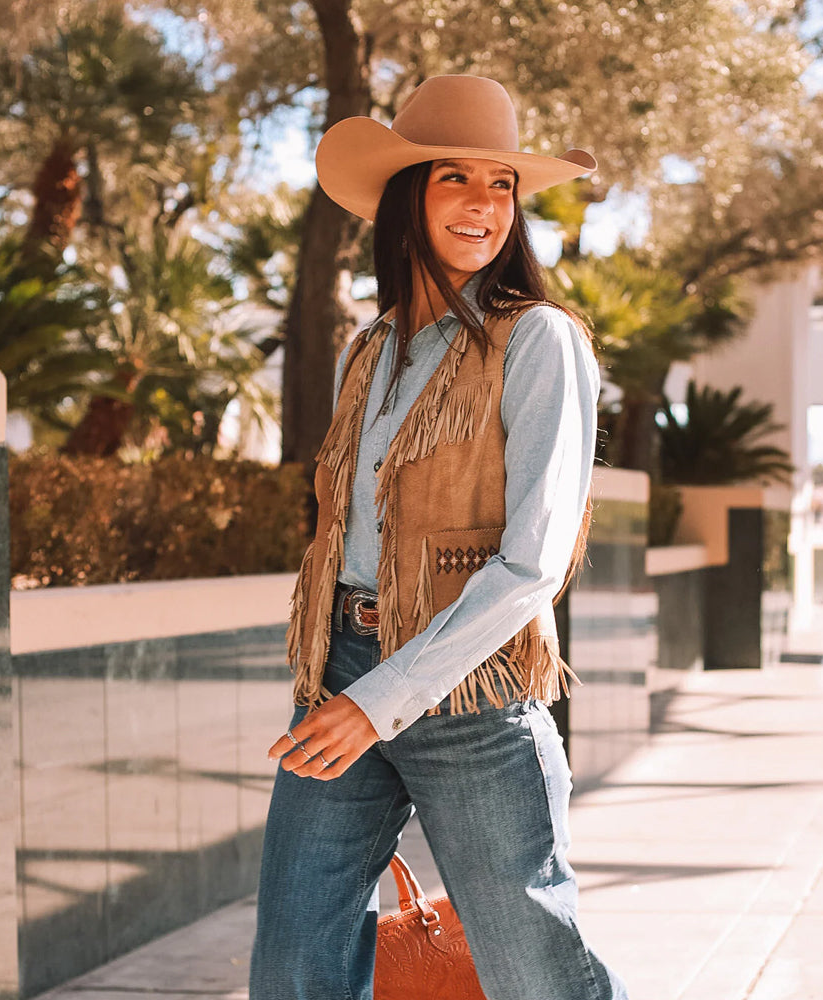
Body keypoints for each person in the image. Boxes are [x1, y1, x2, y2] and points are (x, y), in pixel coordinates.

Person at [249, 74, 629, 1000]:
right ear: (404, 198)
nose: (483, 204)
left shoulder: (540, 341)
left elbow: (534, 563)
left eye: (500, 183)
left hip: (472, 688)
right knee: (295, 961)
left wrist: (382, 699)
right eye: (453, 177)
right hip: (340, 664)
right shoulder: (368, 350)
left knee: (533, 969)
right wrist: (342, 677)